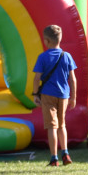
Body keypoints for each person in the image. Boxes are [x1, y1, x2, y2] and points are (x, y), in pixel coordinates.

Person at [33, 25, 77, 167]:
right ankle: (65, 152)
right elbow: (73, 79)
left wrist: (35, 94)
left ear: (46, 41)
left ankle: (54, 158)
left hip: (47, 94)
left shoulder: (43, 57)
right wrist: (73, 97)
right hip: (63, 94)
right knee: (61, 124)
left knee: (52, 126)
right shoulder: (67, 56)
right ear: (60, 38)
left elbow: (37, 78)